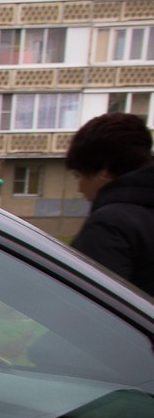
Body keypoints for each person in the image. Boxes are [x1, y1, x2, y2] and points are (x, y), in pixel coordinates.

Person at [66, 111, 154, 296]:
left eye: (78, 175)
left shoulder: (110, 224)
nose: (80, 188)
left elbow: (90, 306)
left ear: (104, 171)